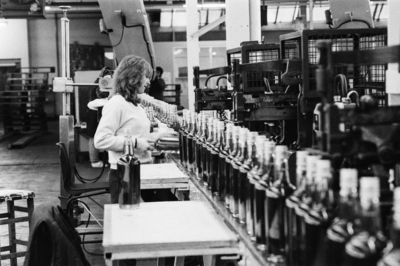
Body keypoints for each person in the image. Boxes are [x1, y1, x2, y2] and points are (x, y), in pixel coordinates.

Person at [94, 55, 162, 204]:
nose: (148, 81)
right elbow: (100, 140)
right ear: (133, 77)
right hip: (124, 173)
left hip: (141, 170)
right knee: (127, 221)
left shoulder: (134, 103)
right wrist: (136, 143)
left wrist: (156, 136)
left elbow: (136, 131)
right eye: (145, 76)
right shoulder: (117, 104)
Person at [86, 68, 112, 168]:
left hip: (99, 114)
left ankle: (98, 160)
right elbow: (95, 102)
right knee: (93, 137)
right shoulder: (97, 86)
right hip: (94, 115)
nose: (109, 80)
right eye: (108, 77)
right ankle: (94, 161)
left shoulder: (99, 84)